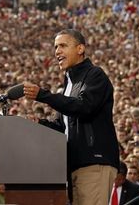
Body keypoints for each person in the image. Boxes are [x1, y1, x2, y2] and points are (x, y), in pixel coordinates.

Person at [24, 28, 120, 205]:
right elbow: (63, 126)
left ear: (80, 49)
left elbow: (84, 107)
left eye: (63, 46)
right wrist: (39, 124)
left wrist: (43, 95)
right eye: (55, 47)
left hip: (94, 162)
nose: (57, 51)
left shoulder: (95, 75)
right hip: (74, 165)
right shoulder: (69, 83)